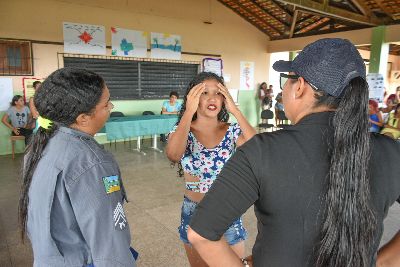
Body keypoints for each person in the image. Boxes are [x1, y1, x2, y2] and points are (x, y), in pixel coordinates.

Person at [187, 38, 400, 267]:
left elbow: (201, 234)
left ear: (299, 86)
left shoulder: (262, 151)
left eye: (286, 81)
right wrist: (383, 262)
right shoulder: (390, 151)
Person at [19, 68, 137, 267]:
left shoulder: (40, 143)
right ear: (83, 118)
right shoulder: (92, 162)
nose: (110, 107)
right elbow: (109, 240)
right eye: (106, 103)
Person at [166, 72, 256, 267]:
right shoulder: (183, 131)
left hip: (227, 209)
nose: (213, 98)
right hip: (194, 212)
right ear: (193, 98)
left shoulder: (231, 130)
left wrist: (236, 111)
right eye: (204, 92)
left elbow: (257, 147)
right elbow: (173, 154)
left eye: (218, 93)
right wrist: (188, 112)